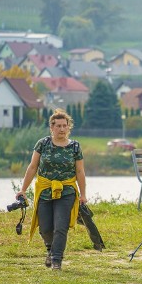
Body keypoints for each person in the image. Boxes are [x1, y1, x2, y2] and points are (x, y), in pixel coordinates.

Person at [15, 109, 87, 271]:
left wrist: (83, 195)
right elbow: (33, 167)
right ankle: (50, 250)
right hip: (45, 189)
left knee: (61, 226)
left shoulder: (75, 147)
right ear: (51, 128)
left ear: (69, 127)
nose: (62, 129)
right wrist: (23, 190)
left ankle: (56, 260)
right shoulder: (43, 144)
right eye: (58, 126)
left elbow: (80, 172)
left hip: (67, 191)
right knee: (46, 227)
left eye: (65, 126)